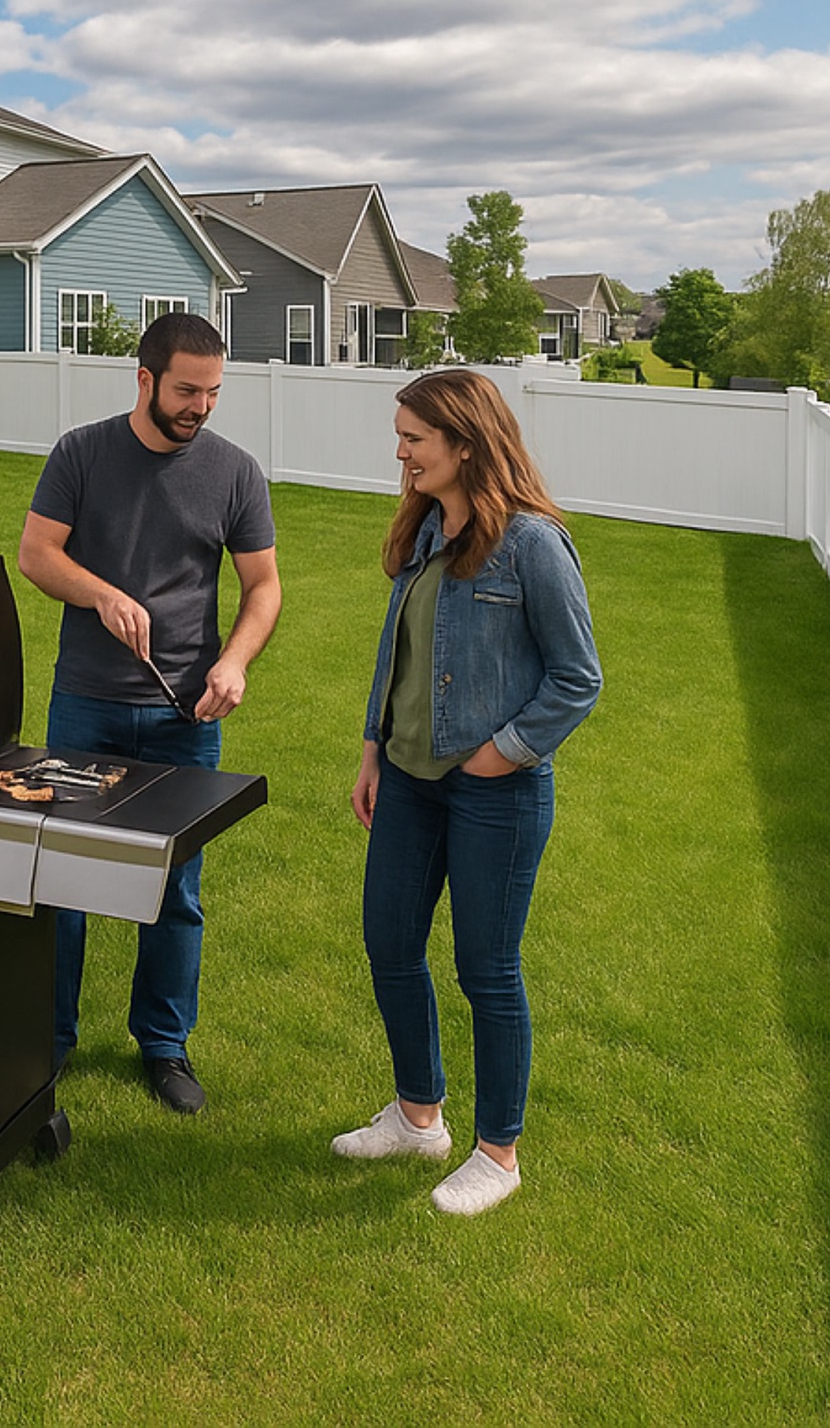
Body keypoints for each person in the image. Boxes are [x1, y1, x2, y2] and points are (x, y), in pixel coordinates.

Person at [336, 369, 600, 1216]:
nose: (401, 450)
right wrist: (375, 747)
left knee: (486, 968)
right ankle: (419, 1117)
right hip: (410, 783)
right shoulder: (425, 530)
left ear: (466, 442)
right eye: (401, 434)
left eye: (415, 437)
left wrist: (503, 753)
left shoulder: (532, 544)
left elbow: (577, 676)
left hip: (497, 795)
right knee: (389, 944)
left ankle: (499, 1153)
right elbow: (398, 648)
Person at [18, 311, 281, 1113]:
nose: (201, 405)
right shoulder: (82, 453)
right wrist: (101, 594)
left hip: (184, 719)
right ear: (145, 378)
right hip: (86, 706)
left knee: (177, 887)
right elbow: (36, 555)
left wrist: (233, 661)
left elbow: (263, 587)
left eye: (213, 391)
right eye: (187, 389)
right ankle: (44, 1043)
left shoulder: (235, 472)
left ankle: (164, 1044)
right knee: (58, 878)